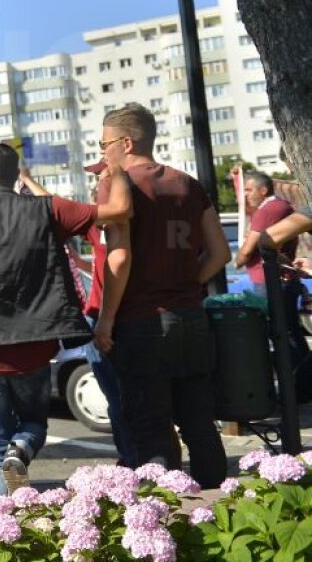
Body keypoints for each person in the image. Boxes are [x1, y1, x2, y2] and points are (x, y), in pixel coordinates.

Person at [0, 144, 131, 493]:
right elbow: (120, 210)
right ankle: (23, 445)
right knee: (34, 422)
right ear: (16, 176)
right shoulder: (48, 209)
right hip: (35, 346)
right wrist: (118, 170)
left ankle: (6, 524)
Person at [96, 102, 230, 488]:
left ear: (125, 141)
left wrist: (106, 320)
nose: (103, 153)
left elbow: (119, 258)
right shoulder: (187, 182)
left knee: (152, 432)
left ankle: (168, 523)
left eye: (104, 144)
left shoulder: (118, 183)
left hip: (142, 321)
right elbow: (220, 253)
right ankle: (219, 508)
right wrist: (189, 281)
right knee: (200, 425)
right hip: (191, 316)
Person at [20, 164, 136, 467]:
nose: (96, 186)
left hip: (111, 316)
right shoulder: (98, 222)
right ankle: (131, 457)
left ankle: (135, 459)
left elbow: (118, 260)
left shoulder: (117, 220)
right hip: (104, 313)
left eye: (100, 180)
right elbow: (57, 207)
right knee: (120, 398)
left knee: (123, 399)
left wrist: (105, 319)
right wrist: (30, 179)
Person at [235, 170, 310, 371]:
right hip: (281, 280)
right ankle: (299, 384)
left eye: (249, 189)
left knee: (281, 333)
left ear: (263, 190)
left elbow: (250, 248)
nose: (245, 194)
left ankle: (297, 385)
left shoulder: (268, 209)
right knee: (289, 332)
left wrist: (238, 260)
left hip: (272, 282)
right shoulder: (281, 206)